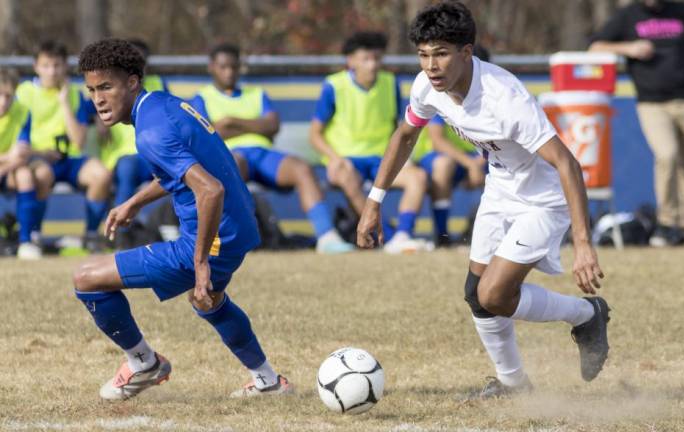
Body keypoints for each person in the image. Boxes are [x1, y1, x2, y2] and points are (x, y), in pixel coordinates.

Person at [356, 1, 610, 397]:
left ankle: (586, 314)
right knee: (477, 296)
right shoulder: (427, 87)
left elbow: (567, 164)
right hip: (500, 188)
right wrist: (374, 201)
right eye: (423, 54)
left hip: (544, 200)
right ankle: (513, 384)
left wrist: (583, 244)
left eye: (441, 53)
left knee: (495, 295)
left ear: (466, 52)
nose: (431, 66)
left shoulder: (505, 97)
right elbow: (405, 135)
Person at [75, 38, 292, 400]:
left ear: (132, 81)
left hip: (214, 235)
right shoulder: (163, 104)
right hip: (239, 226)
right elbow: (184, 171)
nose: (98, 99)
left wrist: (200, 259)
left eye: (106, 87)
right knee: (206, 300)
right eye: (92, 89)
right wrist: (134, 202)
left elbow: (209, 190)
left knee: (86, 281)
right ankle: (268, 381)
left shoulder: (149, 133)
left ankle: (144, 362)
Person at [189, 43, 353, 254]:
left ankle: (327, 236)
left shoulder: (256, 93)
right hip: (232, 156)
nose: (229, 72)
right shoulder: (201, 97)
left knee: (301, 169)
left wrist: (231, 122)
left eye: (234, 67)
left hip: (263, 155)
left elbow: (273, 126)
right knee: (233, 166)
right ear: (211, 67)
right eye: (223, 67)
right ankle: (229, 239)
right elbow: (207, 135)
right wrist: (256, 125)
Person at [589, 0, 684, 247]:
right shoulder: (628, 16)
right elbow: (595, 47)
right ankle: (666, 222)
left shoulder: (682, 11)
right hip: (652, 103)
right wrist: (629, 48)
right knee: (667, 155)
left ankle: (682, 226)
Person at [310, 31, 430, 254]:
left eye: (377, 58)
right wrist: (335, 159)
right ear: (351, 61)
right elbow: (315, 134)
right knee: (345, 175)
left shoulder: (390, 83)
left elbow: (398, 129)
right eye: (366, 59)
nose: (373, 64)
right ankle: (388, 237)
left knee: (418, 177)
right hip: (346, 161)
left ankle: (403, 235)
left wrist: (407, 159)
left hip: (380, 160)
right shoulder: (334, 86)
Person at [15, 40, 112, 252]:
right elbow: (16, 135)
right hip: (37, 159)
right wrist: (38, 153)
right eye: (46, 65)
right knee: (41, 176)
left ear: (65, 66)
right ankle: (34, 235)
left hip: (70, 160)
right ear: (36, 67)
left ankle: (90, 235)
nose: (52, 71)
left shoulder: (74, 94)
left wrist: (64, 102)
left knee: (102, 175)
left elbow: (79, 141)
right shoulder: (24, 93)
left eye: (57, 65)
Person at [412, 45, 490, 247]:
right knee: (443, 165)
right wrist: (471, 164)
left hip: (481, 157)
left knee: (511, 166)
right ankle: (442, 235)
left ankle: (494, 233)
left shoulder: (493, 95)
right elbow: (438, 141)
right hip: (445, 159)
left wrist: (481, 161)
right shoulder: (440, 92)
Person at [99, 39, 163, 247]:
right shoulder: (112, 87)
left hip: (152, 154)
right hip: (125, 157)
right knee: (127, 169)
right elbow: (99, 118)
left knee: (177, 169)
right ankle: (120, 230)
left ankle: (172, 229)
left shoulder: (158, 84)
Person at [0, 67, 53, 259]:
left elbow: (21, 154)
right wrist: (8, 157)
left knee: (34, 174)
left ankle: (27, 240)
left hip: (11, 169)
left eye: (8, 96)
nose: (4, 102)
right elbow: (14, 154)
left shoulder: (22, 112)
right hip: (8, 164)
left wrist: (4, 166)